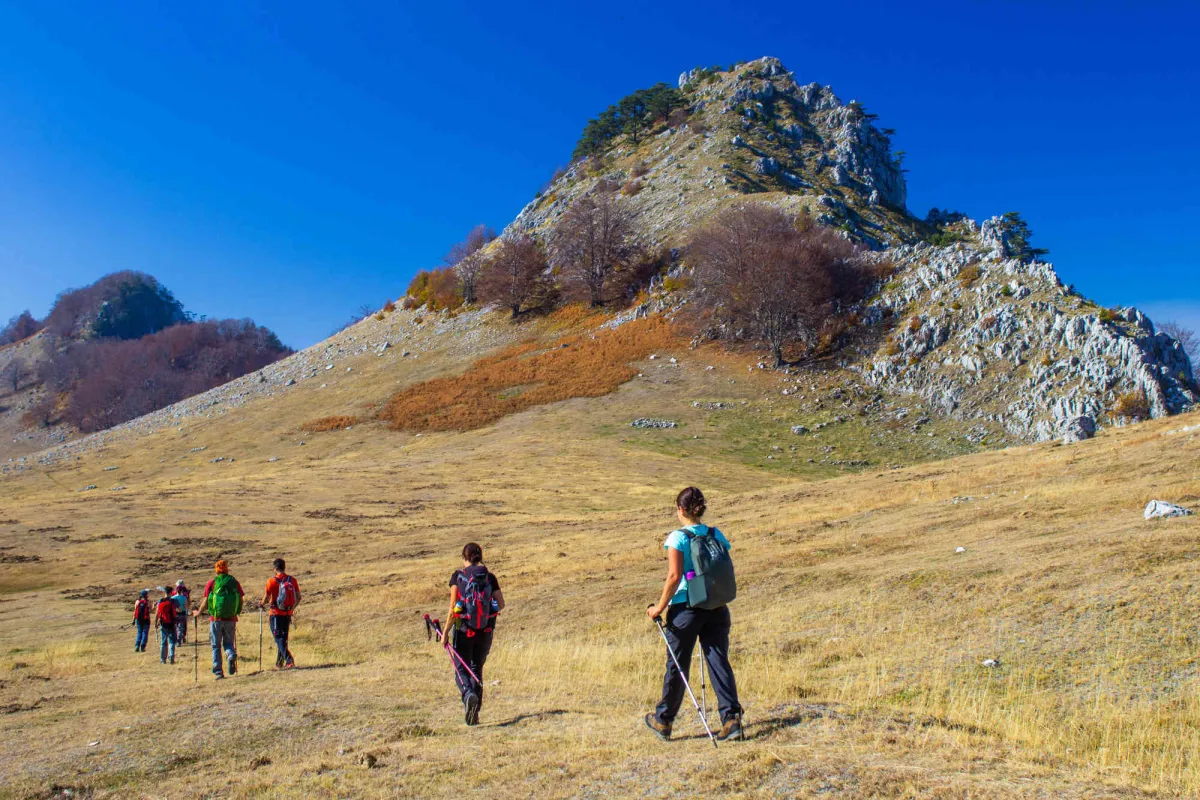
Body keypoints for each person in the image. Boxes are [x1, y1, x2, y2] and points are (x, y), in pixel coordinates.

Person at [645, 486, 743, 742]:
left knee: (677, 665)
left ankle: (663, 721)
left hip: (686, 609)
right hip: (716, 605)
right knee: (718, 660)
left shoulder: (677, 538)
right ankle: (731, 719)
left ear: (680, 509)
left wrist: (659, 608)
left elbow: (674, 576)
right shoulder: (715, 533)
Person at [439, 542, 504, 725]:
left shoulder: (458, 577)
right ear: (480, 557)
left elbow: (453, 608)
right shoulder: (490, 577)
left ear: (464, 557)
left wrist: (445, 632)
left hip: (464, 630)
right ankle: (474, 714)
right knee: (476, 669)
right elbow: (501, 604)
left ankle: (468, 695)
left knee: (461, 669)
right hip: (485, 631)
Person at [194, 560, 244, 680]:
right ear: (227, 569)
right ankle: (230, 655)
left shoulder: (212, 583)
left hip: (216, 619)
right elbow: (241, 598)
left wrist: (198, 612)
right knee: (228, 643)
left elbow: (206, 601)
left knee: (216, 645)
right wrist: (236, 611)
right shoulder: (234, 582)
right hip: (231, 619)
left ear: (216, 570)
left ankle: (218, 672)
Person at [261, 558, 301, 669]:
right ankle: (279, 663)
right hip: (287, 613)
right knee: (283, 638)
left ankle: (289, 660)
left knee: (278, 638)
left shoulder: (271, 581)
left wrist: (261, 603)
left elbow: (266, 597)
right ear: (284, 567)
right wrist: (292, 609)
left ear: (275, 569)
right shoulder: (292, 580)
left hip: (275, 614)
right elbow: (299, 597)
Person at [155, 586, 178, 664]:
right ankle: (171, 657)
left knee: (164, 641)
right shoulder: (173, 601)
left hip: (163, 623)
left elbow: (157, 613)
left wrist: (156, 622)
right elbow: (179, 609)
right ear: (171, 593)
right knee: (172, 641)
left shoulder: (160, 601)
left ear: (165, 592)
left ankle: (163, 659)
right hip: (172, 623)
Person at [172, 580, 189, 645]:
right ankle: (179, 640)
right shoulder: (184, 598)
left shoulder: (173, 598)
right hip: (182, 614)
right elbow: (186, 607)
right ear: (181, 591)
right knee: (180, 627)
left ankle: (175, 639)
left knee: (175, 628)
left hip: (175, 614)